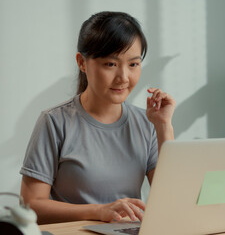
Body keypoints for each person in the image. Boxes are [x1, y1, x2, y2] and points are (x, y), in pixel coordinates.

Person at [20, 11, 175, 225]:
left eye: (133, 64)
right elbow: (31, 205)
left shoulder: (147, 124)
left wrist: (164, 126)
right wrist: (99, 211)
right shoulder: (54, 122)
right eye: (110, 64)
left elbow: (172, 202)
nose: (123, 77)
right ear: (82, 63)